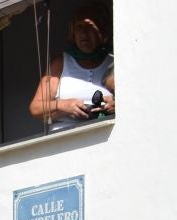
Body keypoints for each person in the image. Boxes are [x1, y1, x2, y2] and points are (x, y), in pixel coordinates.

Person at [30, 1, 115, 133]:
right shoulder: (61, 63)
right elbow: (35, 108)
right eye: (79, 27)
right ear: (73, 33)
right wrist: (64, 105)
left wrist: (116, 105)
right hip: (64, 138)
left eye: (89, 27)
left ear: (102, 31)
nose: (84, 33)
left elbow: (136, 100)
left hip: (104, 137)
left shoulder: (114, 62)